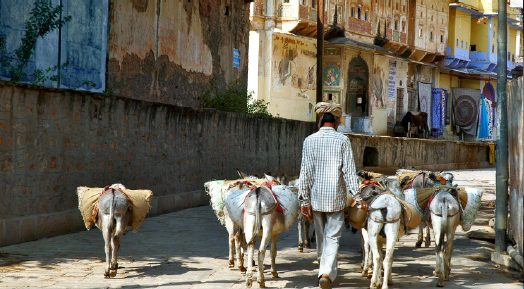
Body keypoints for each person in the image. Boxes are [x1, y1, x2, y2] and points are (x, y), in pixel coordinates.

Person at [298, 102, 368, 289]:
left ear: (321, 120)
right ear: (336, 122)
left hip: (316, 199)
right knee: (333, 237)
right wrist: (358, 197)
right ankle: (326, 272)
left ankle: (324, 269)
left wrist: (304, 200)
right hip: (336, 199)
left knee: (321, 237)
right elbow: (349, 173)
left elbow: (305, 173)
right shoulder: (342, 140)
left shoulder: (309, 140)